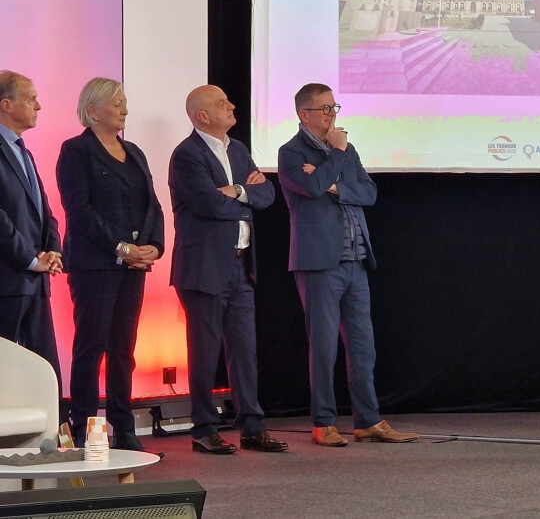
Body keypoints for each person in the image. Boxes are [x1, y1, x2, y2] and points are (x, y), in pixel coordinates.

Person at [278, 83, 417, 446]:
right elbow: (311, 188)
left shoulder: (346, 151)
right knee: (324, 346)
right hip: (319, 263)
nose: (332, 114)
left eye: (334, 107)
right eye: (324, 108)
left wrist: (335, 186)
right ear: (304, 114)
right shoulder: (291, 152)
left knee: (362, 346)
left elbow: (369, 193)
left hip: (356, 260)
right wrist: (336, 159)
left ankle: (368, 421)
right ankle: (323, 422)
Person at [169, 85, 287, 455]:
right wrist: (245, 194)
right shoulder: (187, 154)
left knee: (244, 350)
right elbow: (208, 204)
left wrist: (235, 190)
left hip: (240, 265)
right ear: (202, 116)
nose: (232, 105)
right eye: (222, 103)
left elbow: (267, 195)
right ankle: (204, 429)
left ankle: (252, 427)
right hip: (203, 268)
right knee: (204, 352)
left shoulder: (237, 149)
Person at [56, 78, 165, 452]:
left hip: (133, 266)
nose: (125, 110)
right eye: (117, 104)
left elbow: (152, 204)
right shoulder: (76, 150)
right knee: (92, 346)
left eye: (124, 102)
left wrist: (153, 247)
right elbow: (79, 211)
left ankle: (124, 428)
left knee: (123, 349)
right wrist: (120, 247)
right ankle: (85, 429)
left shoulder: (134, 151)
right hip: (94, 265)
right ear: (93, 110)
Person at [0, 71, 64, 396]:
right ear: (7, 104)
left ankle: (52, 427)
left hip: (35, 282)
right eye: (30, 99)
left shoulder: (23, 151)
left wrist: (54, 252)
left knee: (44, 370)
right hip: (8, 281)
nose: (38, 106)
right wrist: (30, 258)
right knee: (6, 372)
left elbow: (44, 211)